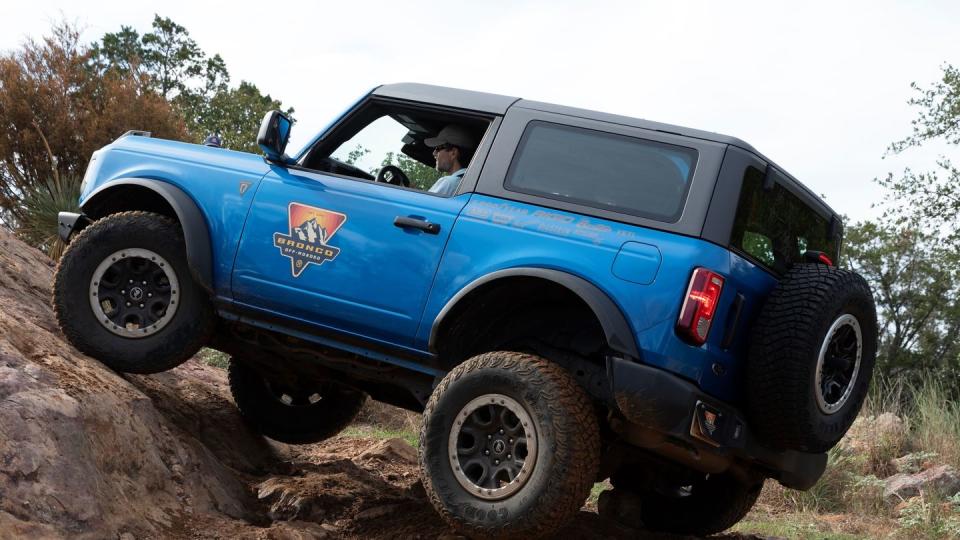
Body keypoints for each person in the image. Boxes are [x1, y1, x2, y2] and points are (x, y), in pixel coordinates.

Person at [424, 125, 476, 196]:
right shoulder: (471, 182)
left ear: (453, 153)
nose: (434, 153)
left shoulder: (449, 182)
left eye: (438, 148)